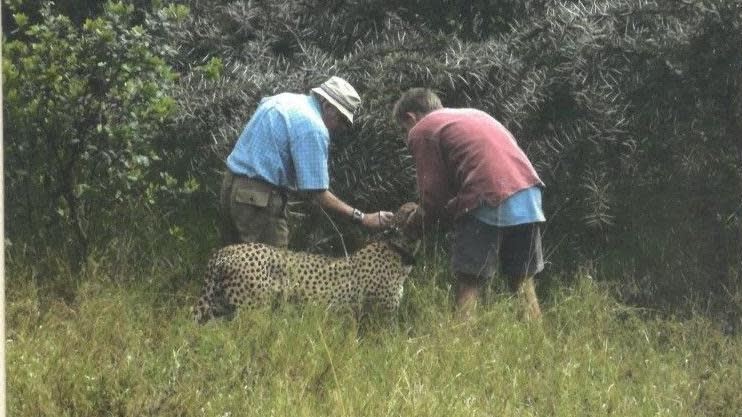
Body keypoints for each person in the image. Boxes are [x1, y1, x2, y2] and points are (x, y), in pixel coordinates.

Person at [393, 88, 546, 320]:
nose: (408, 137)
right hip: (528, 194)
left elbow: (434, 199)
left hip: (487, 196)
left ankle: (461, 347)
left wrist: (413, 225)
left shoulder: (423, 129)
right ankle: (539, 348)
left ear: (410, 118)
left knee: (469, 282)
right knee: (522, 281)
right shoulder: (474, 115)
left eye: (404, 131)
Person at [221, 76, 394, 247]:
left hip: (230, 186)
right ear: (328, 106)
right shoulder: (313, 127)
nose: (340, 128)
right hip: (257, 199)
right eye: (342, 120)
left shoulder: (283, 98)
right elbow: (317, 193)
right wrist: (363, 217)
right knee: (273, 268)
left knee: (233, 263)